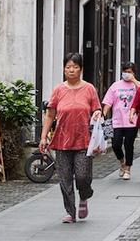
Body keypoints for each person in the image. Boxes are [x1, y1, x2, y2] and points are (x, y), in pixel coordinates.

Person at [40, 53, 102, 224]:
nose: (71, 70)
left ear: (81, 69)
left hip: (83, 140)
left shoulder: (89, 89)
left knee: (82, 177)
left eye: (75, 67)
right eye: (68, 67)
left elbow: (97, 109)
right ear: (64, 69)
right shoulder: (59, 90)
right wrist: (44, 137)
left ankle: (84, 196)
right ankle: (70, 212)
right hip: (62, 140)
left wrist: (97, 113)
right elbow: (50, 114)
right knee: (65, 179)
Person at [102, 62, 140, 180]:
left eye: (129, 72)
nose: (127, 74)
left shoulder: (136, 85)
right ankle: (122, 162)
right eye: (125, 71)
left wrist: (133, 80)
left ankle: (128, 169)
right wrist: (103, 114)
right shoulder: (115, 86)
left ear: (134, 73)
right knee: (115, 144)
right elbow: (108, 102)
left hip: (131, 121)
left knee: (129, 145)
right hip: (117, 121)